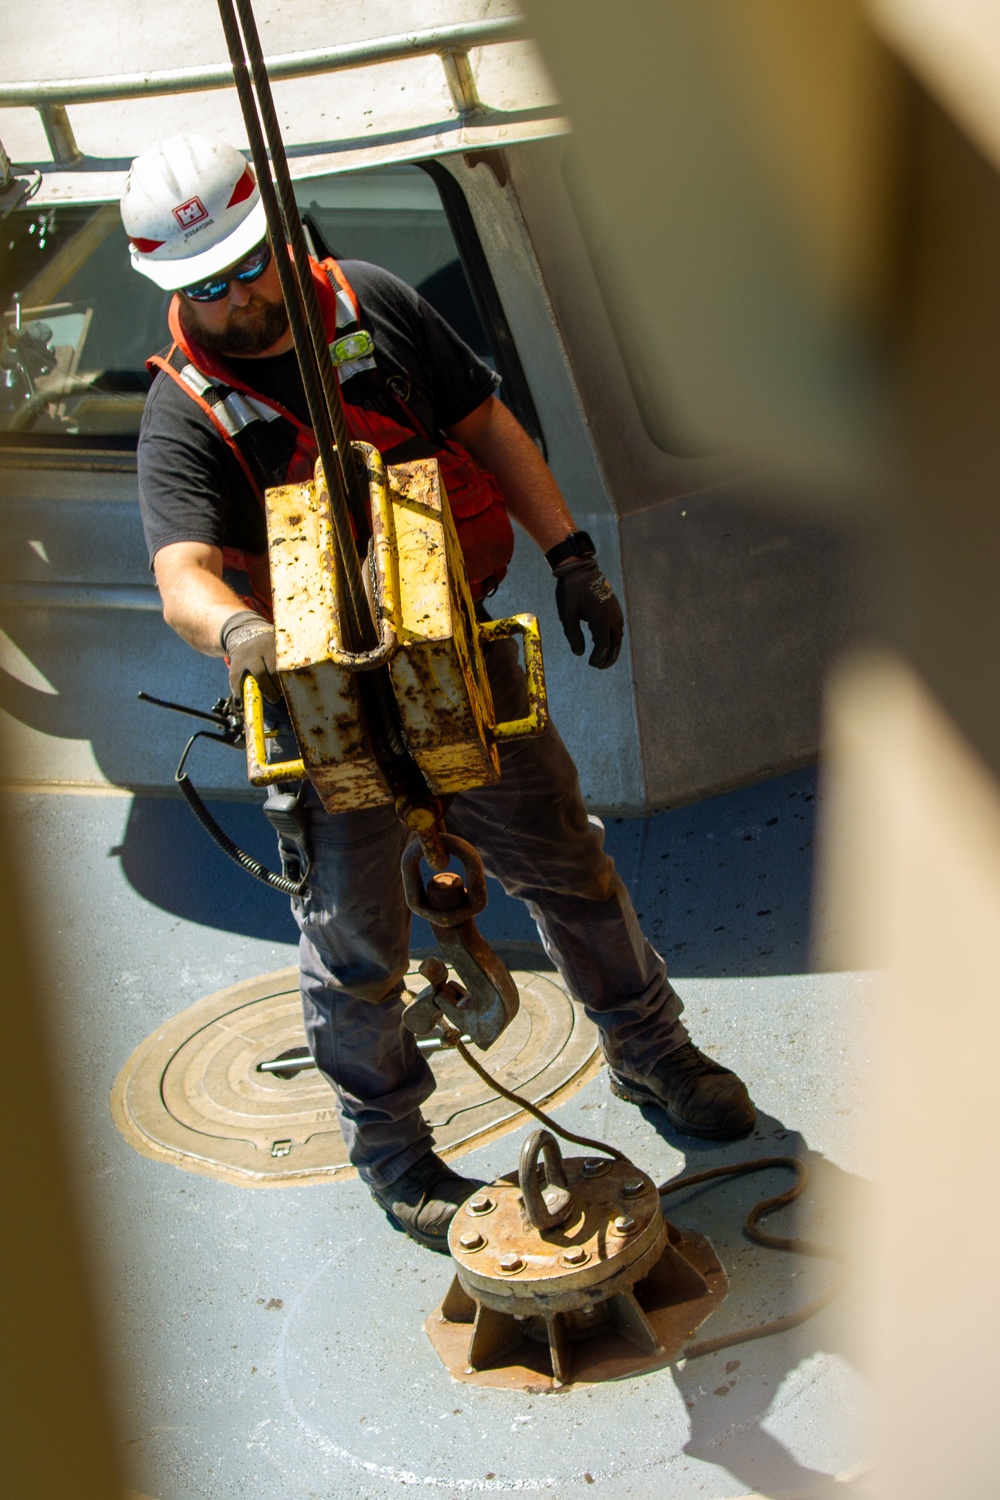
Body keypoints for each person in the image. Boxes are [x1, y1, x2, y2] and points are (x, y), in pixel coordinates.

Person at [124, 135, 756, 1252]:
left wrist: (570, 554)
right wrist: (249, 634)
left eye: (245, 265)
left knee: (570, 864)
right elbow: (181, 574)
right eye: (202, 287)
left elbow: (486, 427)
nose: (234, 299)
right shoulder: (187, 409)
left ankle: (652, 1053)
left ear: (277, 232)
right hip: (323, 711)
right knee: (353, 943)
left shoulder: (371, 304)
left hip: (457, 663)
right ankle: (396, 1156)